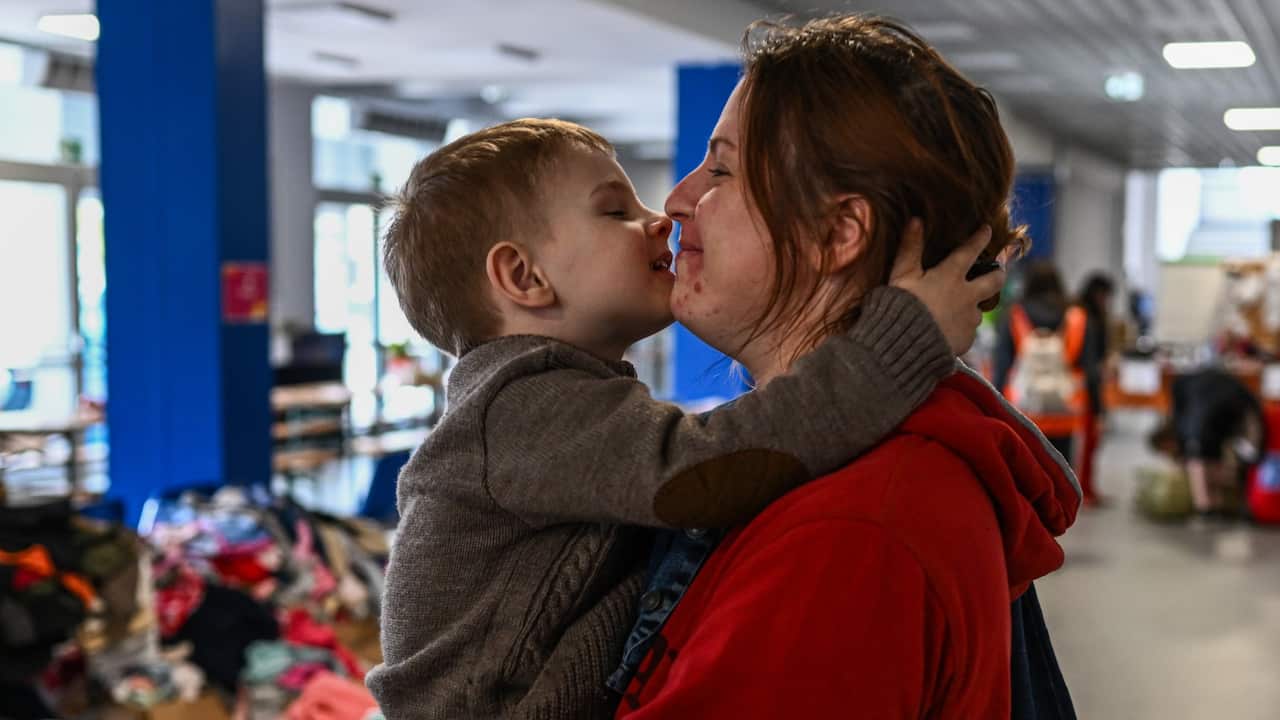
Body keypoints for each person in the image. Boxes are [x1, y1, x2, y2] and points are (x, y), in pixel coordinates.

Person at [364, 119, 1003, 718]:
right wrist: (899, 343)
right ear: (523, 275)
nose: (660, 217)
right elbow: (710, 467)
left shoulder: (554, 396)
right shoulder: (518, 406)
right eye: (615, 211)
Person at [612, 15, 1080, 718]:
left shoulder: (849, 534)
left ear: (839, 232)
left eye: (722, 169)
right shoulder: (857, 475)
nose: (677, 201)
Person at [994, 261, 1086, 467]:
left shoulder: (1014, 315)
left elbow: (1002, 365)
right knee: (1062, 476)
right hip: (1065, 410)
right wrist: (1098, 411)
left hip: (1023, 409)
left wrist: (995, 409)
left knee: (1024, 475)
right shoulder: (1076, 318)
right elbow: (1089, 368)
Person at [1151, 368, 1265, 518]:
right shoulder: (1188, 389)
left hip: (1221, 414)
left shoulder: (1187, 421)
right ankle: (1233, 501)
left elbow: (1191, 438)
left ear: (1166, 440)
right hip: (1246, 406)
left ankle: (1206, 506)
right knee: (1247, 455)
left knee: (1198, 458)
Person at [1075, 272, 1116, 505]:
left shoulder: (1077, 314)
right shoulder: (1087, 319)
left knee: (1086, 444)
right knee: (1087, 443)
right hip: (1085, 390)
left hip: (1078, 387)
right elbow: (1090, 361)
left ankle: (1086, 489)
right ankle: (1085, 491)